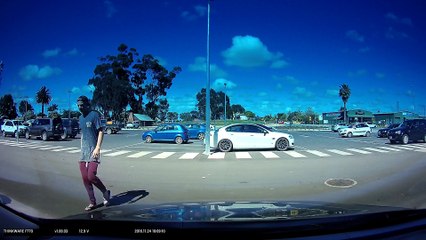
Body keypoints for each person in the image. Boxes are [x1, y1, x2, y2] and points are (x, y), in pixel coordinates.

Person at [77, 95, 111, 211]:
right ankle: (92, 202)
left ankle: (105, 192)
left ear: (87, 104)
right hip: (83, 152)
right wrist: (81, 149)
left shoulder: (94, 115)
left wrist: (98, 148)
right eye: (78, 106)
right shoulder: (80, 118)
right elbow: (83, 135)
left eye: (82, 105)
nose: (80, 107)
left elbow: (101, 131)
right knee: (85, 178)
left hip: (93, 150)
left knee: (91, 176)